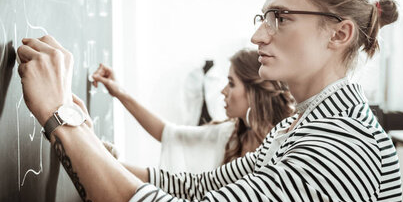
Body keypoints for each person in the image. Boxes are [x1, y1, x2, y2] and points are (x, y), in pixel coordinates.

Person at [17, 0, 402, 202]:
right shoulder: (298, 126)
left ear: (339, 34)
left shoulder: (346, 145)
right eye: (263, 17)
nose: (258, 36)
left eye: (280, 18)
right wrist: (86, 141)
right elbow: (199, 188)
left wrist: (63, 119)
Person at [89, 49, 295, 173]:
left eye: (231, 83)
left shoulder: (287, 142)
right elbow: (167, 133)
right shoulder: (228, 135)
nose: (223, 91)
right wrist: (119, 92)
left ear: (253, 92)